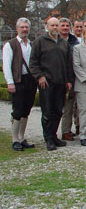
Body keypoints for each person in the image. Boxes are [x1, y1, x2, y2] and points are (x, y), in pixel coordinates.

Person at [29, 17, 74, 151]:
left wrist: (69, 80)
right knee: (47, 111)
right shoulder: (40, 42)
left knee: (58, 110)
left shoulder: (63, 43)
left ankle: (54, 135)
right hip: (46, 82)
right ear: (47, 27)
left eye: (56, 25)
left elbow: (68, 63)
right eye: (52, 25)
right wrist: (39, 76)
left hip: (61, 82)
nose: (55, 28)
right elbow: (33, 62)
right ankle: (48, 138)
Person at [3, 18, 37, 151]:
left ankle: (22, 137)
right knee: (18, 110)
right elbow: (6, 65)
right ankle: (15, 139)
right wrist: (10, 82)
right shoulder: (10, 45)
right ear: (17, 29)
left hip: (30, 80)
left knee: (26, 110)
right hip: (18, 80)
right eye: (22, 27)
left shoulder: (31, 44)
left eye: (26, 27)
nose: (24, 29)